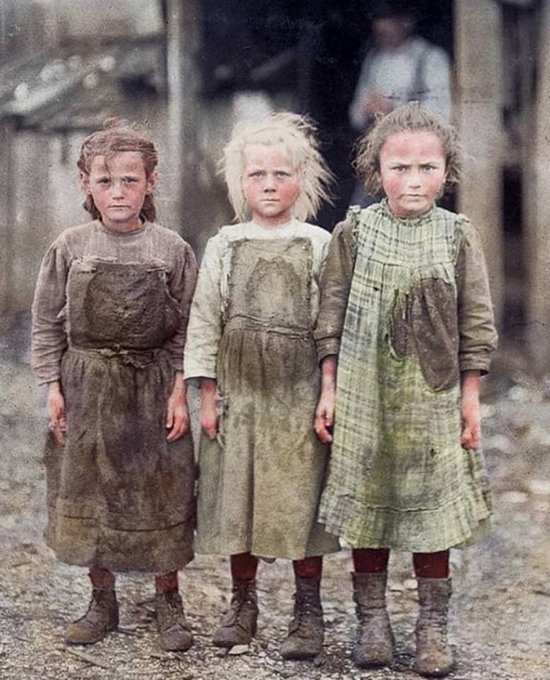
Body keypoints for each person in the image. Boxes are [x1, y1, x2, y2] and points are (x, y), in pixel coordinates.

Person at [314, 103, 497, 677]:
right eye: (399, 168)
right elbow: (329, 316)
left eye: (426, 168)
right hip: (365, 393)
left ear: (447, 172)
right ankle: (372, 621)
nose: (413, 180)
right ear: (376, 172)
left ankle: (431, 626)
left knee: (430, 510)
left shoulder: (457, 236)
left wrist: (469, 398)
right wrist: (329, 387)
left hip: (431, 398)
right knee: (368, 504)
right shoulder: (354, 232)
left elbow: (476, 324)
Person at [31, 121, 198, 652]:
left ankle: (168, 601)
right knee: (91, 490)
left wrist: (179, 391)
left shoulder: (171, 249)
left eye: (130, 180)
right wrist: (53, 386)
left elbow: (188, 328)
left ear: (150, 183)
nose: (118, 192)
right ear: (86, 184)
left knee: (161, 490)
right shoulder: (70, 246)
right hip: (88, 386)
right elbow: (46, 323)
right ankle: (102, 601)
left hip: (152, 387)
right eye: (105, 182)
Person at [184, 113, 340, 660]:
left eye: (281, 173)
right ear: (239, 182)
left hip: (297, 397)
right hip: (240, 396)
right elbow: (205, 320)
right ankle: (242, 604)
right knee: (239, 498)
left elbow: (330, 324)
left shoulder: (319, 244)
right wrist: (207, 394)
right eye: (257, 175)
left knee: (300, 499)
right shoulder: (224, 245)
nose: (269, 184)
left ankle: (308, 609)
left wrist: (328, 389)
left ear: (303, 179)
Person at [349, 1, 452, 207]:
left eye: (388, 19)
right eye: (378, 19)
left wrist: (393, 112)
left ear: (407, 21)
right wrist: (367, 108)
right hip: (380, 159)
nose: (380, 26)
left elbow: (442, 113)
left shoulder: (430, 58)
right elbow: (355, 115)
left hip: (418, 160)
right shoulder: (375, 59)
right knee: (363, 216)